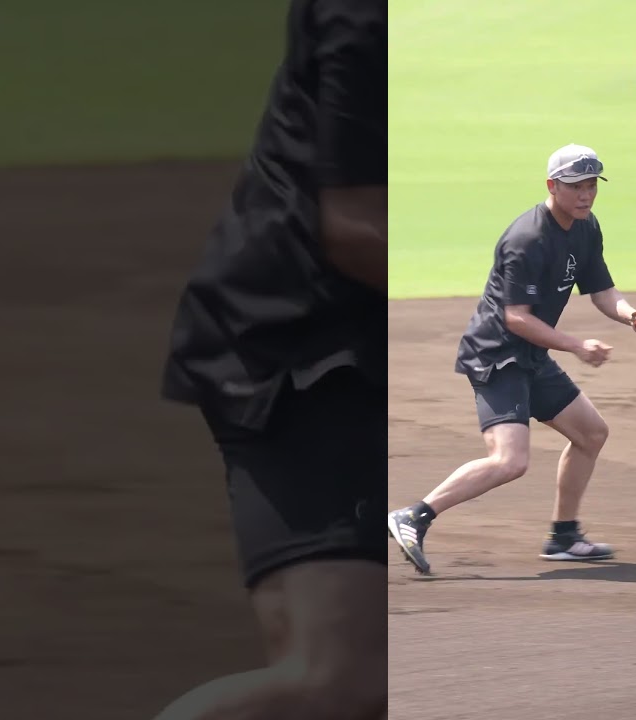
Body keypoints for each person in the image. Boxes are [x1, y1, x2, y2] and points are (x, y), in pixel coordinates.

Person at [151, 1, 387, 718]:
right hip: (302, 348)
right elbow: (353, 225)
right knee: (338, 680)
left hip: (349, 341)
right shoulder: (364, 16)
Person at [388, 143, 636, 576]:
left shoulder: (585, 227)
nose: (586, 194)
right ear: (552, 186)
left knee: (591, 433)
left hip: (530, 354)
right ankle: (414, 516)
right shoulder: (527, 239)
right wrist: (576, 345)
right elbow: (516, 318)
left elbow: (603, 290)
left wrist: (635, 317)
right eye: (576, 186)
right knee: (510, 461)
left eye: (591, 185)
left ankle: (563, 537)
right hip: (496, 356)